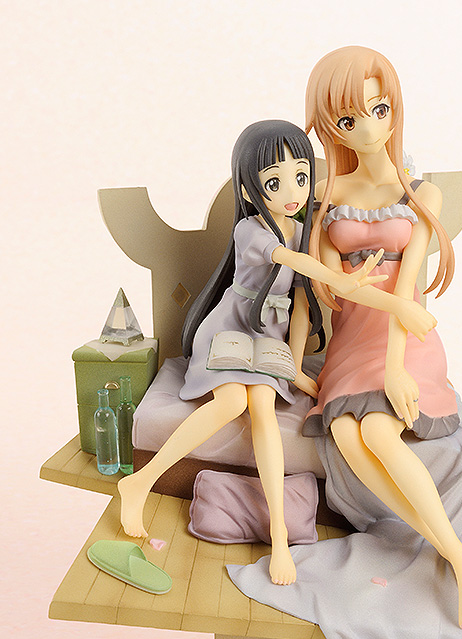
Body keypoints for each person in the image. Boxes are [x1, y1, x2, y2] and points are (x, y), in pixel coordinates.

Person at [228, 52, 462, 639]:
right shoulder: (327, 194)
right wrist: (300, 356)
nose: (370, 128)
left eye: (380, 110)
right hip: (352, 339)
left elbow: (409, 288)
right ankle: (453, 550)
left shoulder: (420, 193)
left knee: (377, 429)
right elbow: (323, 289)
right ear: (330, 126)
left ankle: (456, 555)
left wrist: (398, 367)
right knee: (349, 435)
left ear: (395, 109)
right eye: (349, 120)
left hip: (404, 336)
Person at [118, 119, 431, 585]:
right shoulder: (251, 230)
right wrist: (342, 281)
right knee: (232, 402)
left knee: (263, 407)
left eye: (301, 178)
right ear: (250, 189)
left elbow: (301, 304)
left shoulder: (305, 230)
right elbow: (291, 261)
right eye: (274, 182)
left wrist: (294, 367)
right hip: (230, 328)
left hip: (267, 338)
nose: (292, 192)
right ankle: (140, 482)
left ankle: (280, 536)